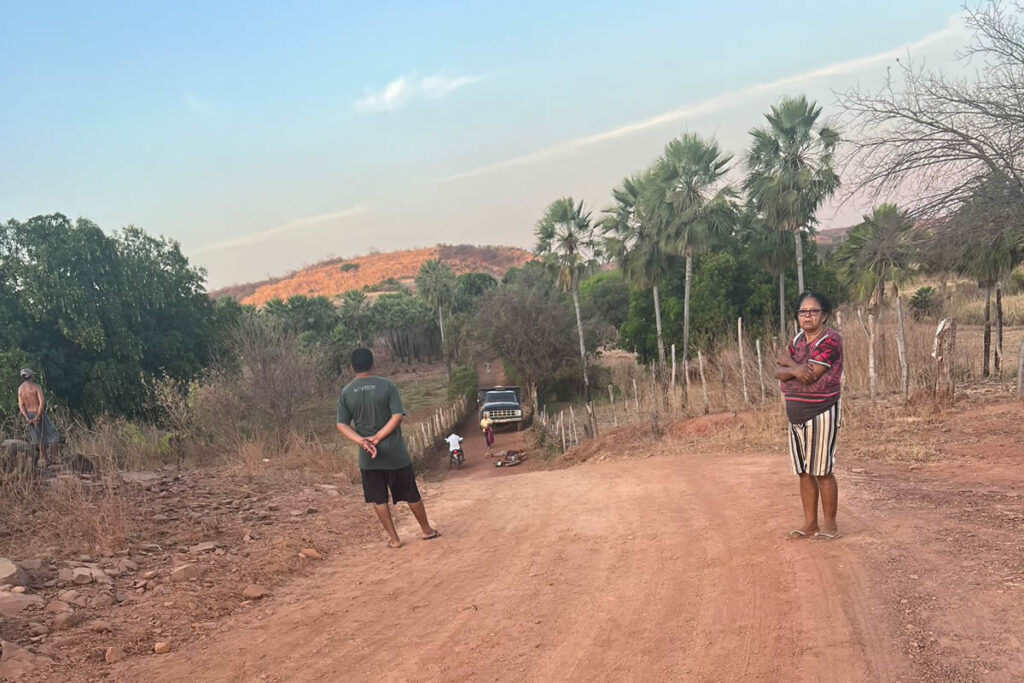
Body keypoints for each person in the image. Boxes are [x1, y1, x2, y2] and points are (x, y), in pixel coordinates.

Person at [336, 348, 440, 549]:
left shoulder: (347, 392)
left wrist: (363, 441)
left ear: (351, 368)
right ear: (373, 364)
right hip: (395, 453)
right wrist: (378, 438)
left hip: (368, 458)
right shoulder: (387, 386)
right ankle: (426, 530)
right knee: (411, 493)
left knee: (378, 499)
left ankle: (394, 539)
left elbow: (341, 424)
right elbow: (397, 416)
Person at [774, 292, 843, 542]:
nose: (808, 316)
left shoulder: (831, 340)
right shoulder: (799, 340)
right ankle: (810, 524)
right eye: (803, 311)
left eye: (814, 311)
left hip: (822, 411)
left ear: (824, 314)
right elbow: (778, 369)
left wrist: (789, 366)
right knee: (804, 471)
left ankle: (831, 526)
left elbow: (811, 374)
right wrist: (795, 368)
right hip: (796, 415)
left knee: (822, 470)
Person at [17, 369, 59, 467]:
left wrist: (27, 417)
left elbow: (21, 405)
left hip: (29, 415)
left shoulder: (20, 389)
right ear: (31, 376)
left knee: (38, 438)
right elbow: (42, 403)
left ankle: (47, 460)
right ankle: (55, 458)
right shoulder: (36, 387)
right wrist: (38, 416)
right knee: (53, 433)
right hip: (38, 414)